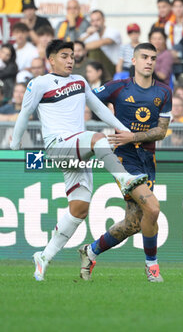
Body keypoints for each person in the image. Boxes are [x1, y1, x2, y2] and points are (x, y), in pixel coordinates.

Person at [10, 39, 147, 281]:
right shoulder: (39, 83)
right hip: (59, 145)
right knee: (97, 139)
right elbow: (25, 112)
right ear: (51, 59)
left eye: (72, 56)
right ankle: (125, 179)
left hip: (77, 148)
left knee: (79, 209)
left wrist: (124, 130)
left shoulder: (80, 82)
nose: (70, 60)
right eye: (64, 56)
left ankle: (44, 256)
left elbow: (102, 110)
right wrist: (14, 142)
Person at [78, 43, 172, 283]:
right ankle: (152, 267)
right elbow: (85, 99)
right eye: (144, 57)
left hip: (147, 159)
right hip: (123, 158)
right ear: (134, 60)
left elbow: (161, 131)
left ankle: (91, 251)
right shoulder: (117, 88)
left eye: (153, 57)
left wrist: (134, 135)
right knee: (153, 208)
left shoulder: (163, 92)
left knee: (134, 223)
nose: (149, 61)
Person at [80, 10, 122, 77]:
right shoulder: (90, 34)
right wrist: (87, 35)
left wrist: (82, 48)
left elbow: (103, 42)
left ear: (103, 20)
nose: (95, 23)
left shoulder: (113, 32)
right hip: (97, 68)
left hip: (114, 68)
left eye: (98, 20)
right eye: (93, 21)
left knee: (94, 50)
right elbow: (75, 46)